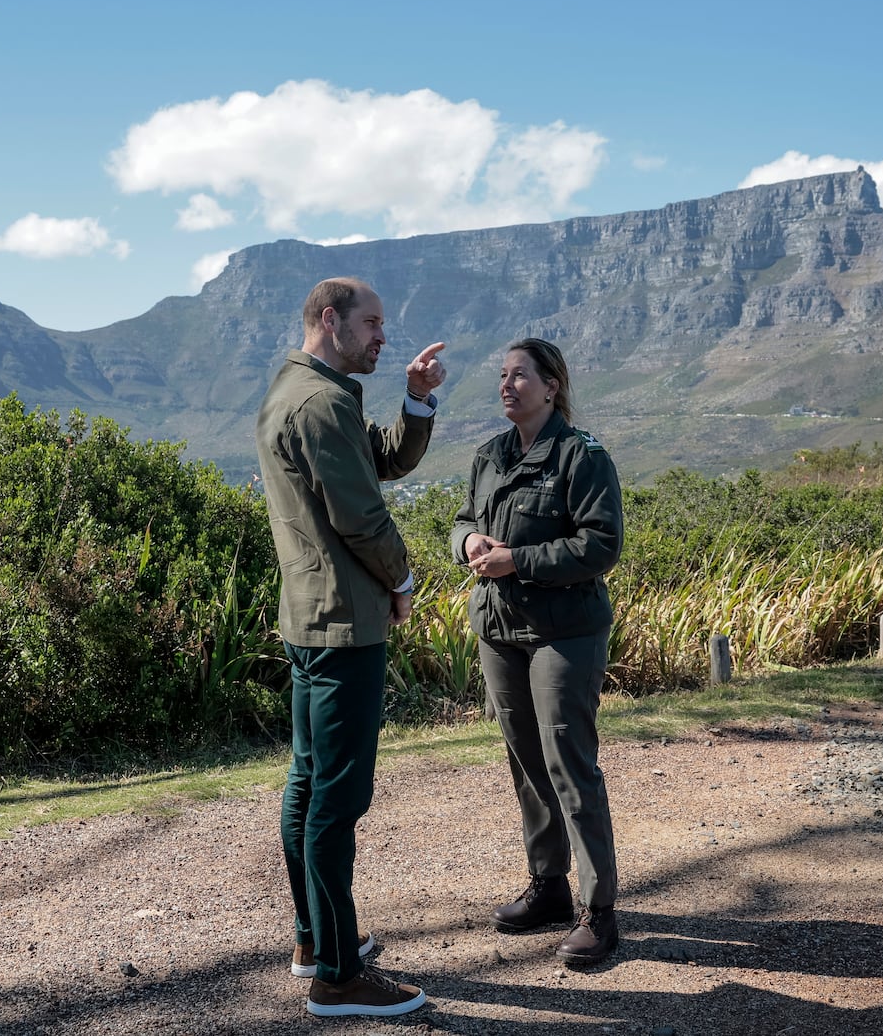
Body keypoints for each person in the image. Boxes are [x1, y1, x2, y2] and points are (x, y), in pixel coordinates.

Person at [255, 276, 447, 1017]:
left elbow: (381, 461)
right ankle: (338, 974)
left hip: (310, 620)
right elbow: (362, 514)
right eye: (372, 323)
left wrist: (417, 400)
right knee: (338, 797)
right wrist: (402, 578)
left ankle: (314, 940)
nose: (382, 336)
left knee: (308, 782)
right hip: (344, 624)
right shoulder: (322, 401)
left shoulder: (297, 390)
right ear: (330, 321)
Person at [450, 337, 624, 965]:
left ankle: (598, 910)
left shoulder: (581, 456)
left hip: (563, 634)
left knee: (569, 764)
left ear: (552, 386)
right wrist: (468, 543)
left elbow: (601, 545)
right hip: (499, 631)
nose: (506, 384)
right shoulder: (490, 454)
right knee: (526, 763)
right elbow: (463, 517)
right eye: (502, 374)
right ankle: (549, 887)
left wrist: (517, 559)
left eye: (519, 375)